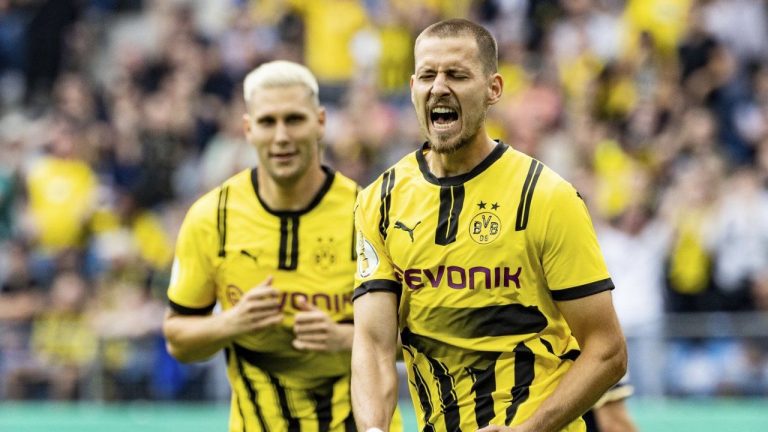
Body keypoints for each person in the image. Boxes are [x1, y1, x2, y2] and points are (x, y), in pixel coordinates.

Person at [351, 19, 627, 432]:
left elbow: (608, 350)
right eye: (427, 75)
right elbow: (373, 343)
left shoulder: (545, 196)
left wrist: (528, 430)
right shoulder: (380, 201)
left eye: (457, 75)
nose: (439, 87)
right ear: (412, 87)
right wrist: (373, 429)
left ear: (493, 89)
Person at [163, 60, 368, 431]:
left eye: (294, 119)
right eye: (267, 122)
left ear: (320, 122)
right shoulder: (212, 217)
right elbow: (178, 339)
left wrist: (344, 338)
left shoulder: (368, 214)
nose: (281, 136)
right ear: (247, 129)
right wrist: (231, 323)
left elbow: (420, 338)